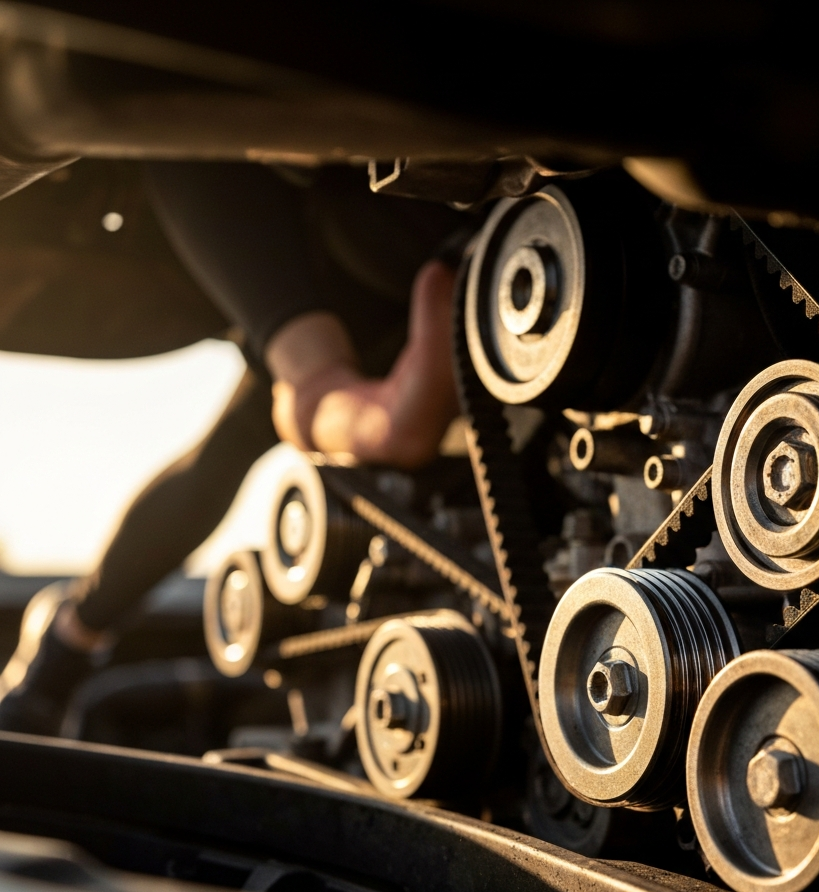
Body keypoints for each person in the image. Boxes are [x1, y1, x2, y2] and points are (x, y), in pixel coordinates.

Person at [0, 160, 468, 735]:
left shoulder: (186, 170)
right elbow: (207, 478)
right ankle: (65, 646)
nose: (22, 296)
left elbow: (179, 149)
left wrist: (328, 394)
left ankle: (65, 647)